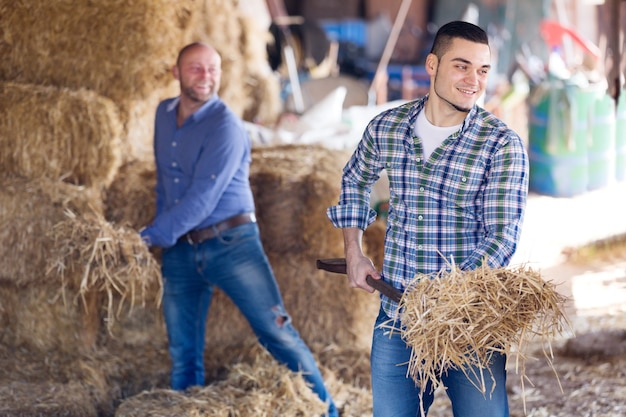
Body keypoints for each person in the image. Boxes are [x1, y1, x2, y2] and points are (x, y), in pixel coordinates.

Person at [327, 21, 529, 417]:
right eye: (462, 66)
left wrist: (443, 302)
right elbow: (355, 179)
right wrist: (354, 251)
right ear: (432, 65)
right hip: (396, 320)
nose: (474, 80)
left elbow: (501, 238)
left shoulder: (500, 144)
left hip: (468, 326)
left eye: (483, 70)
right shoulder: (388, 127)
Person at [140, 42, 338, 417]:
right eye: (196, 69)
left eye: (212, 69)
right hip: (181, 250)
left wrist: (148, 237)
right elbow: (165, 185)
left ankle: (328, 411)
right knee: (183, 352)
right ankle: (188, 410)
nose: (206, 77)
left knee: (277, 332)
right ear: (176, 72)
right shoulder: (163, 115)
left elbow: (202, 197)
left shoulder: (225, 125)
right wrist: (164, 238)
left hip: (232, 245)